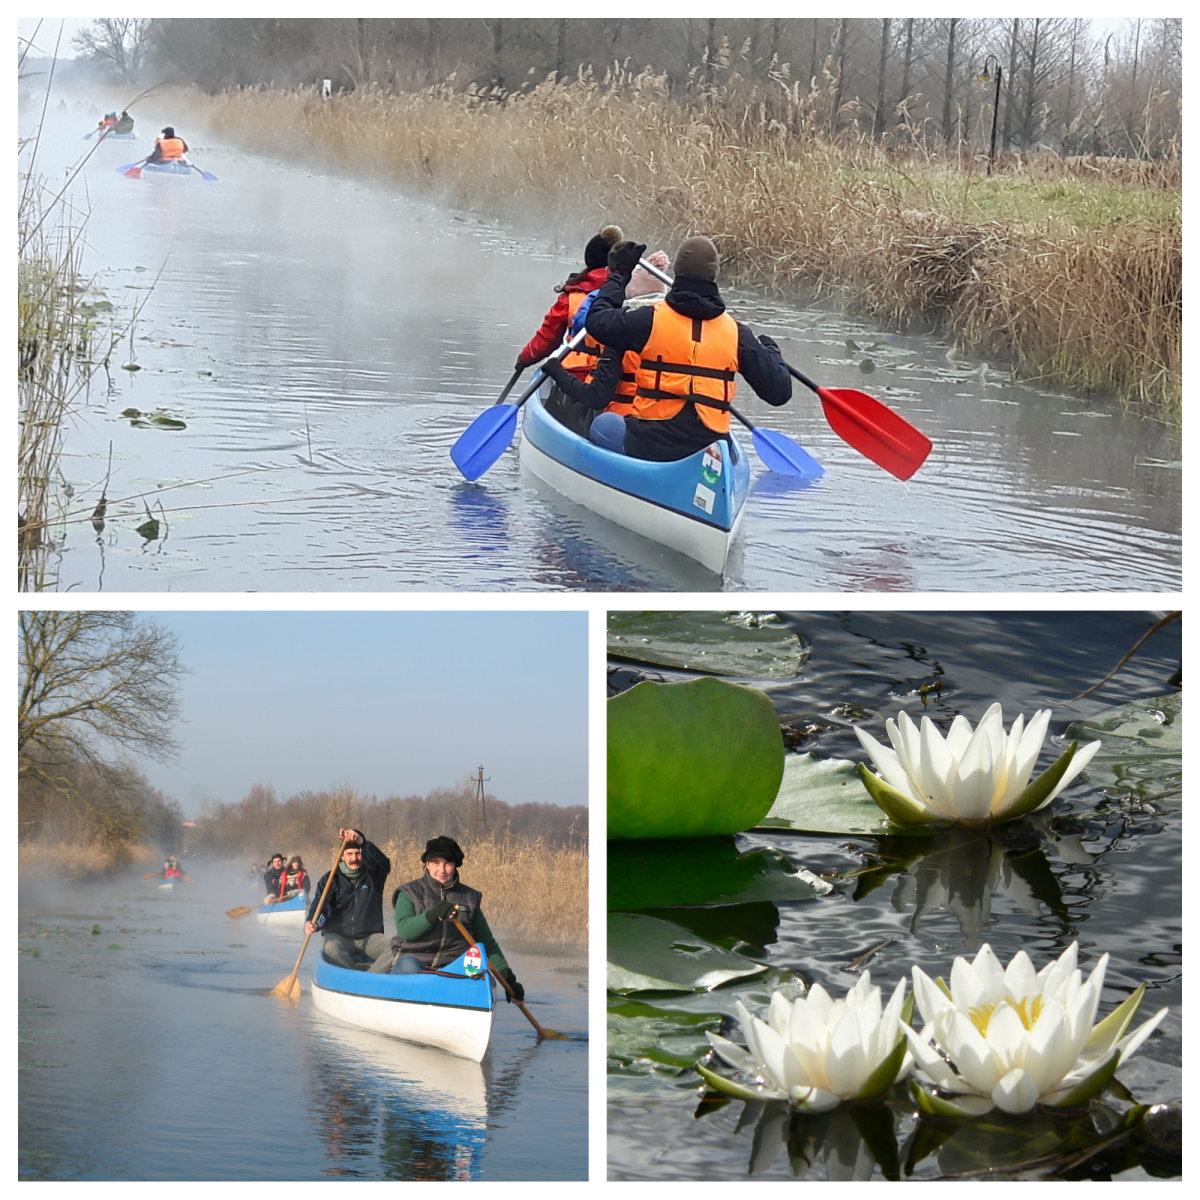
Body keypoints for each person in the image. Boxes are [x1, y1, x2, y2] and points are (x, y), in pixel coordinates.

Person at [584, 235, 792, 461]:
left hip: (649, 446)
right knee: (724, 444)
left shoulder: (648, 321)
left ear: (678, 273)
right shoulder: (737, 333)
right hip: (707, 448)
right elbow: (779, 393)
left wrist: (620, 275)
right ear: (714, 275)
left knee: (605, 423)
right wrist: (771, 351)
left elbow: (596, 321)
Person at [541, 250, 671, 450]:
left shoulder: (618, 337)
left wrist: (555, 371)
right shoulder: (680, 337)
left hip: (622, 429)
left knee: (594, 418)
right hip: (666, 431)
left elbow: (595, 397)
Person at [374, 836, 524, 1004]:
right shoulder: (409, 893)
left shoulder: (470, 898)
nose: (442, 870)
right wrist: (432, 916)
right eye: (436, 863)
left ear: (455, 865)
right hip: (415, 965)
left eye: (448, 863)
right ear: (428, 864)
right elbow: (405, 930)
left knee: (485, 980)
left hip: (452, 969)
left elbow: (487, 943)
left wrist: (508, 978)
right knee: (408, 965)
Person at [514, 225, 624, 395]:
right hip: (623, 380)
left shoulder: (573, 296)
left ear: (590, 260)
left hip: (578, 375)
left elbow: (548, 337)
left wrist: (525, 358)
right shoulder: (635, 292)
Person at [305, 828, 392, 968]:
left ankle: (371, 979)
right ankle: (350, 977)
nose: (354, 858)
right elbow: (322, 907)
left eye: (358, 853)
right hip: (339, 937)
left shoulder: (374, 876)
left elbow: (385, 865)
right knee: (331, 948)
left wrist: (362, 842)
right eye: (349, 854)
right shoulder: (330, 880)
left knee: (398, 947)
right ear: (342, 857)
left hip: (369, 937)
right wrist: (314, 923)